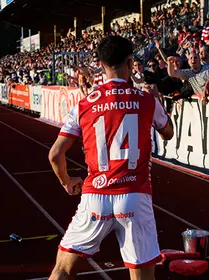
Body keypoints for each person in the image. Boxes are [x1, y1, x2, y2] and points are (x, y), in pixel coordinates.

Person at [48, 36, 174, 280]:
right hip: (135, 195)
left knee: (63, 268)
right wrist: (156, 101)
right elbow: (167, 132)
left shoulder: (83, 104)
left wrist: (66, 181)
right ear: (130, 61)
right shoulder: (146, 100)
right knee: (142, 275)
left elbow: (55, 154)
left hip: (96, 195)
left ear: (101, 65)